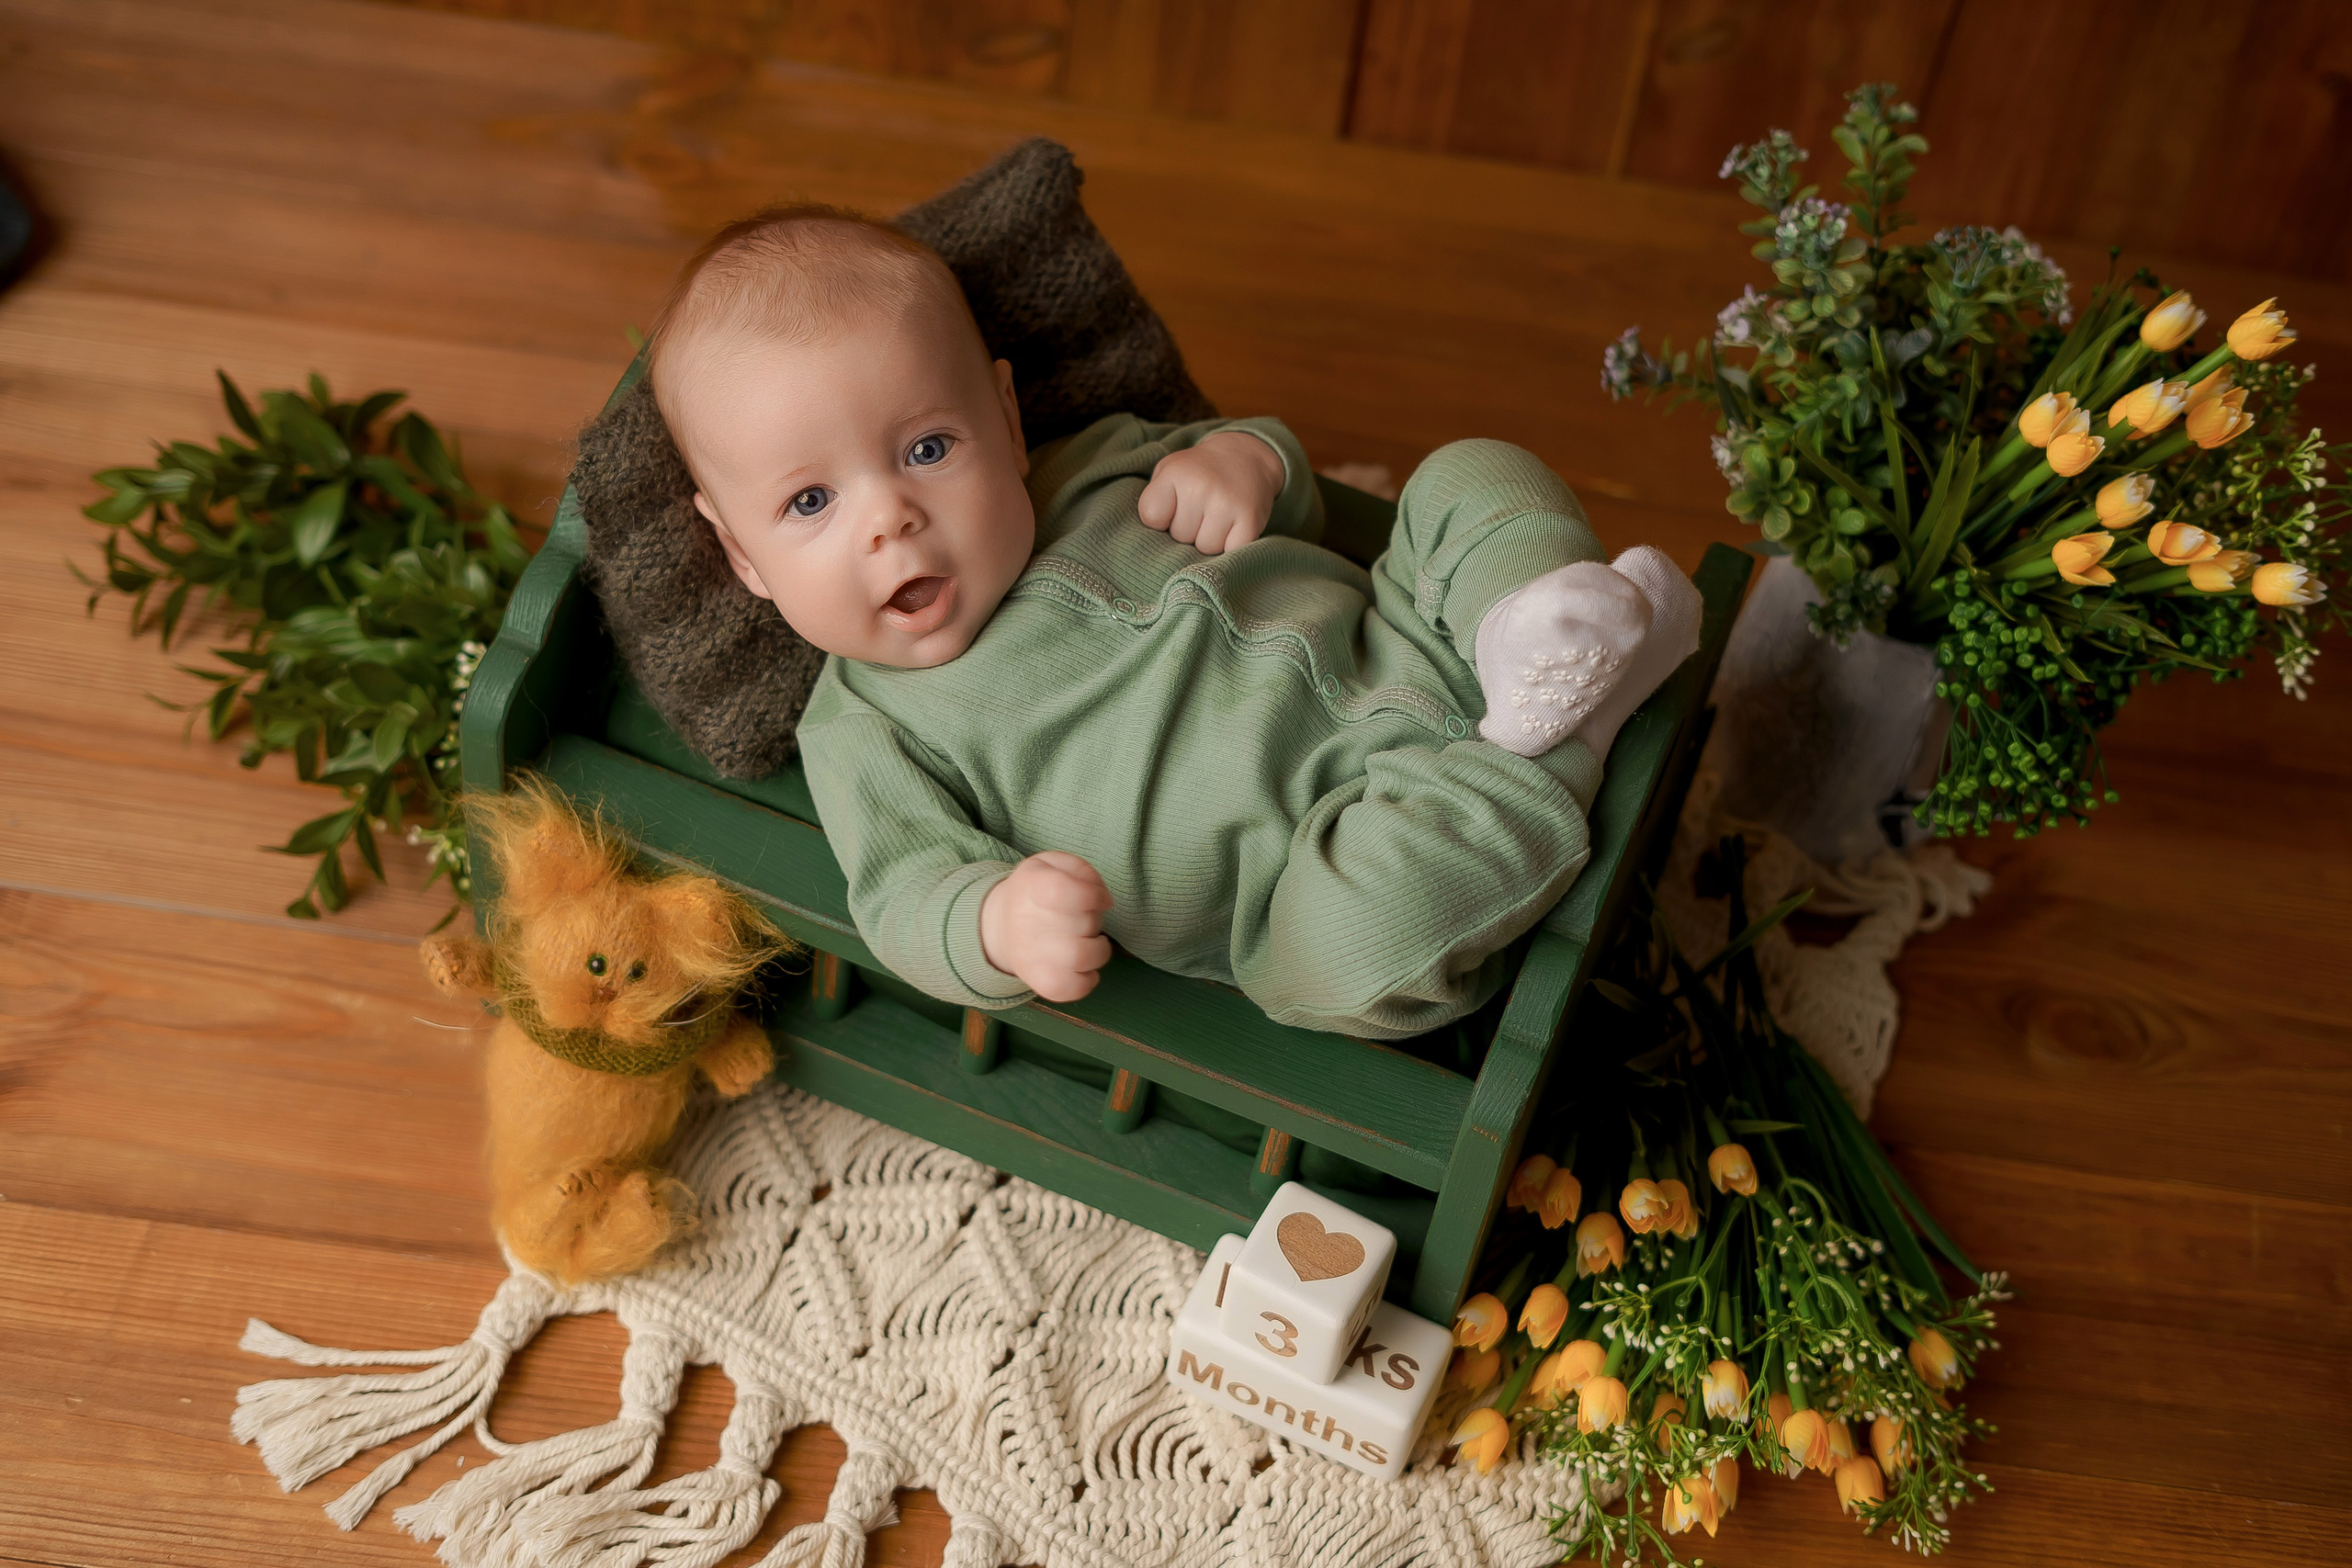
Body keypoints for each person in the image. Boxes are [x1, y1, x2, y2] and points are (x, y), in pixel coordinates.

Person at [649, 205, 1698, 1039]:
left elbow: (1293, 498)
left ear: (1006, 423)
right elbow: (902, 892)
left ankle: (1531, 618)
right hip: (1311, 865)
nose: (890, 517)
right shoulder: (863, 725)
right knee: (1340, 965)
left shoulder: (1097, 462)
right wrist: (994, 925)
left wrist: (1246, 464)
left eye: (926, 448)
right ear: (742, 555)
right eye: (808, 503)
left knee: (1469, 475)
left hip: (1406, 636)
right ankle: (1555, 740)